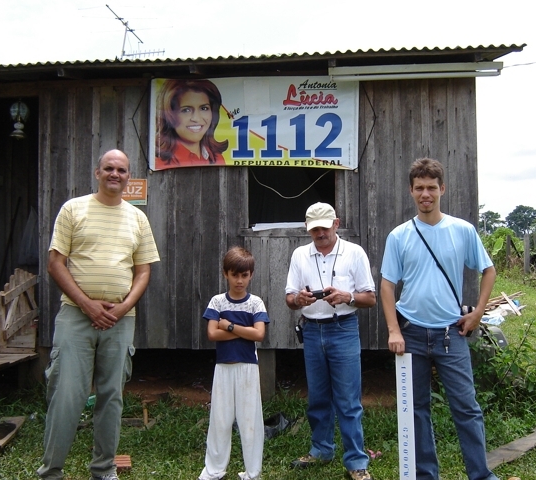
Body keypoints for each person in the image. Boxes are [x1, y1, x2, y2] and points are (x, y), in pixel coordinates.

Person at [37, 149, 160, 480]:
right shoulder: (73, 210)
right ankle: (51, 472)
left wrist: (123, 308)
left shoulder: (137, 218)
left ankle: (104, 470)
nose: (114, 174)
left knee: (112, 397)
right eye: (109, 168)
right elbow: (55, 263)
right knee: (66, 395)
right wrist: (86, 303)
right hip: (75, 316)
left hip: (121, 321)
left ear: (128, 177)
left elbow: (143, 271)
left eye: (121, 169)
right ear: (97, 173)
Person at [380, 158, 498, 480]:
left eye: (432, 187)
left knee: (466, 407)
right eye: (420, 188)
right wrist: (393, 330)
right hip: (411, 334)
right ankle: (425, 475)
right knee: (416, 410)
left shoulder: (462, 230)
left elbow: (488, 270)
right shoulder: (399, 236)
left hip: (451, 333)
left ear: (442, 189)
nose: (426, 194)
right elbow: (387, 285)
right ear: (411, 191)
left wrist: (477, 312)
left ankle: (481, 474)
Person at [285, 202, 377, 480]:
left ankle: (356, 462)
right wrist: (298, 300)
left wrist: (346, 296)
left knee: (349, 400)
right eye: (315, 229)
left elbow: (370, 298)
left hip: (344, 328)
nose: (320, 233)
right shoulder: (300, 254)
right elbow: (289, 298)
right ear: (308, 229)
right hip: (312, 330)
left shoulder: (354, 253)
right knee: (318, 397)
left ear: (336, 223)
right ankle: (321, 449)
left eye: (325, 227)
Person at [198, 246, 270, 480]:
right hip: (224, 367)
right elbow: (212, 334)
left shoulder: (255, 303)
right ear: (225, 274)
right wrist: (245, 331)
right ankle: (214, 469)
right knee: (220, 419)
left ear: (251, 275)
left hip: (248, 367)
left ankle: (252, 472)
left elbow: (259, 335)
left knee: (251, 420)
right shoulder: (217, 302)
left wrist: (228, 326)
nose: (239, 280)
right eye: (234, 275)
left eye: (245, 275)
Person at [154, 78, 228, 169]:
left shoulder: (217, 157)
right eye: (186, 110)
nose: (196, 118)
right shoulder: (158, 161)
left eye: (204, 108)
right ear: (169, 115)